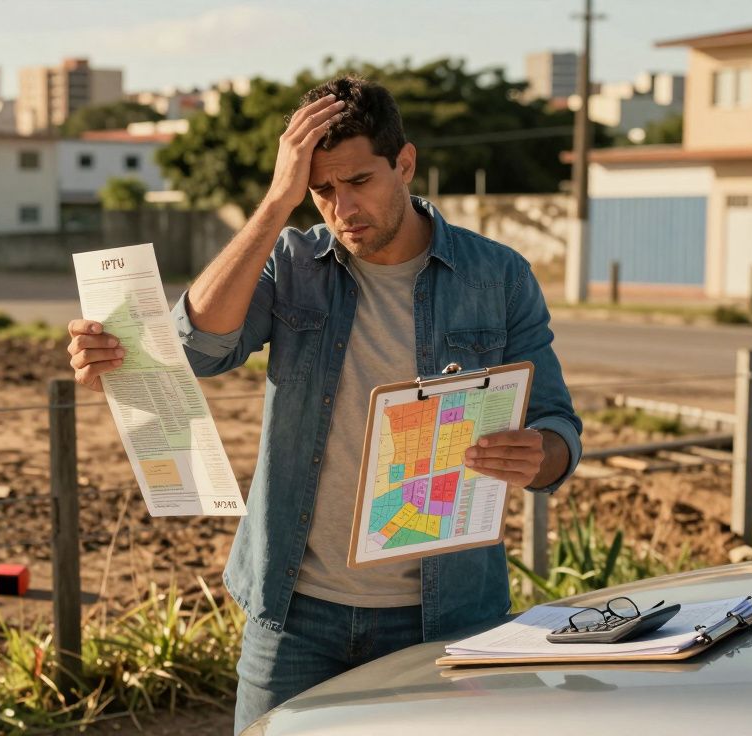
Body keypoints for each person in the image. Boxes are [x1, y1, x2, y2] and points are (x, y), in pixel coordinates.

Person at [67, 76, 582, 733]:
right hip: (294, 614)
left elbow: (558, 426)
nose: (342, 208)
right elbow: (197, 349)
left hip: (445, 618)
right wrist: (278, 200)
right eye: (322, 190)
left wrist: (538, 454)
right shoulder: (294, 263)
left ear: (405, 163)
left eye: (359, 181)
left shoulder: (499, 277)